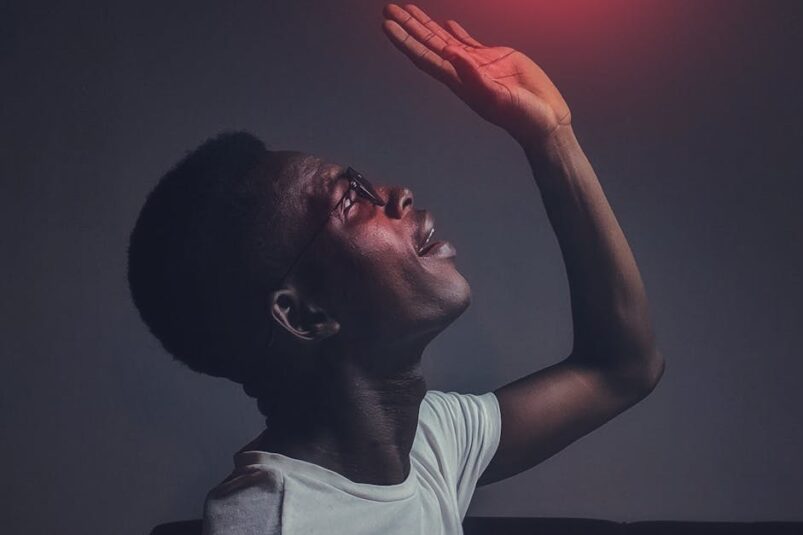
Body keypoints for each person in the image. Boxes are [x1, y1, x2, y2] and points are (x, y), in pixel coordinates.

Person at [127, 4, 663, 534]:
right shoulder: (275, 524)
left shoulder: (426, 442)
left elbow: (622, 368)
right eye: (349, 200)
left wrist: (550, 137)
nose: (397, 194)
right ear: (304, 314)